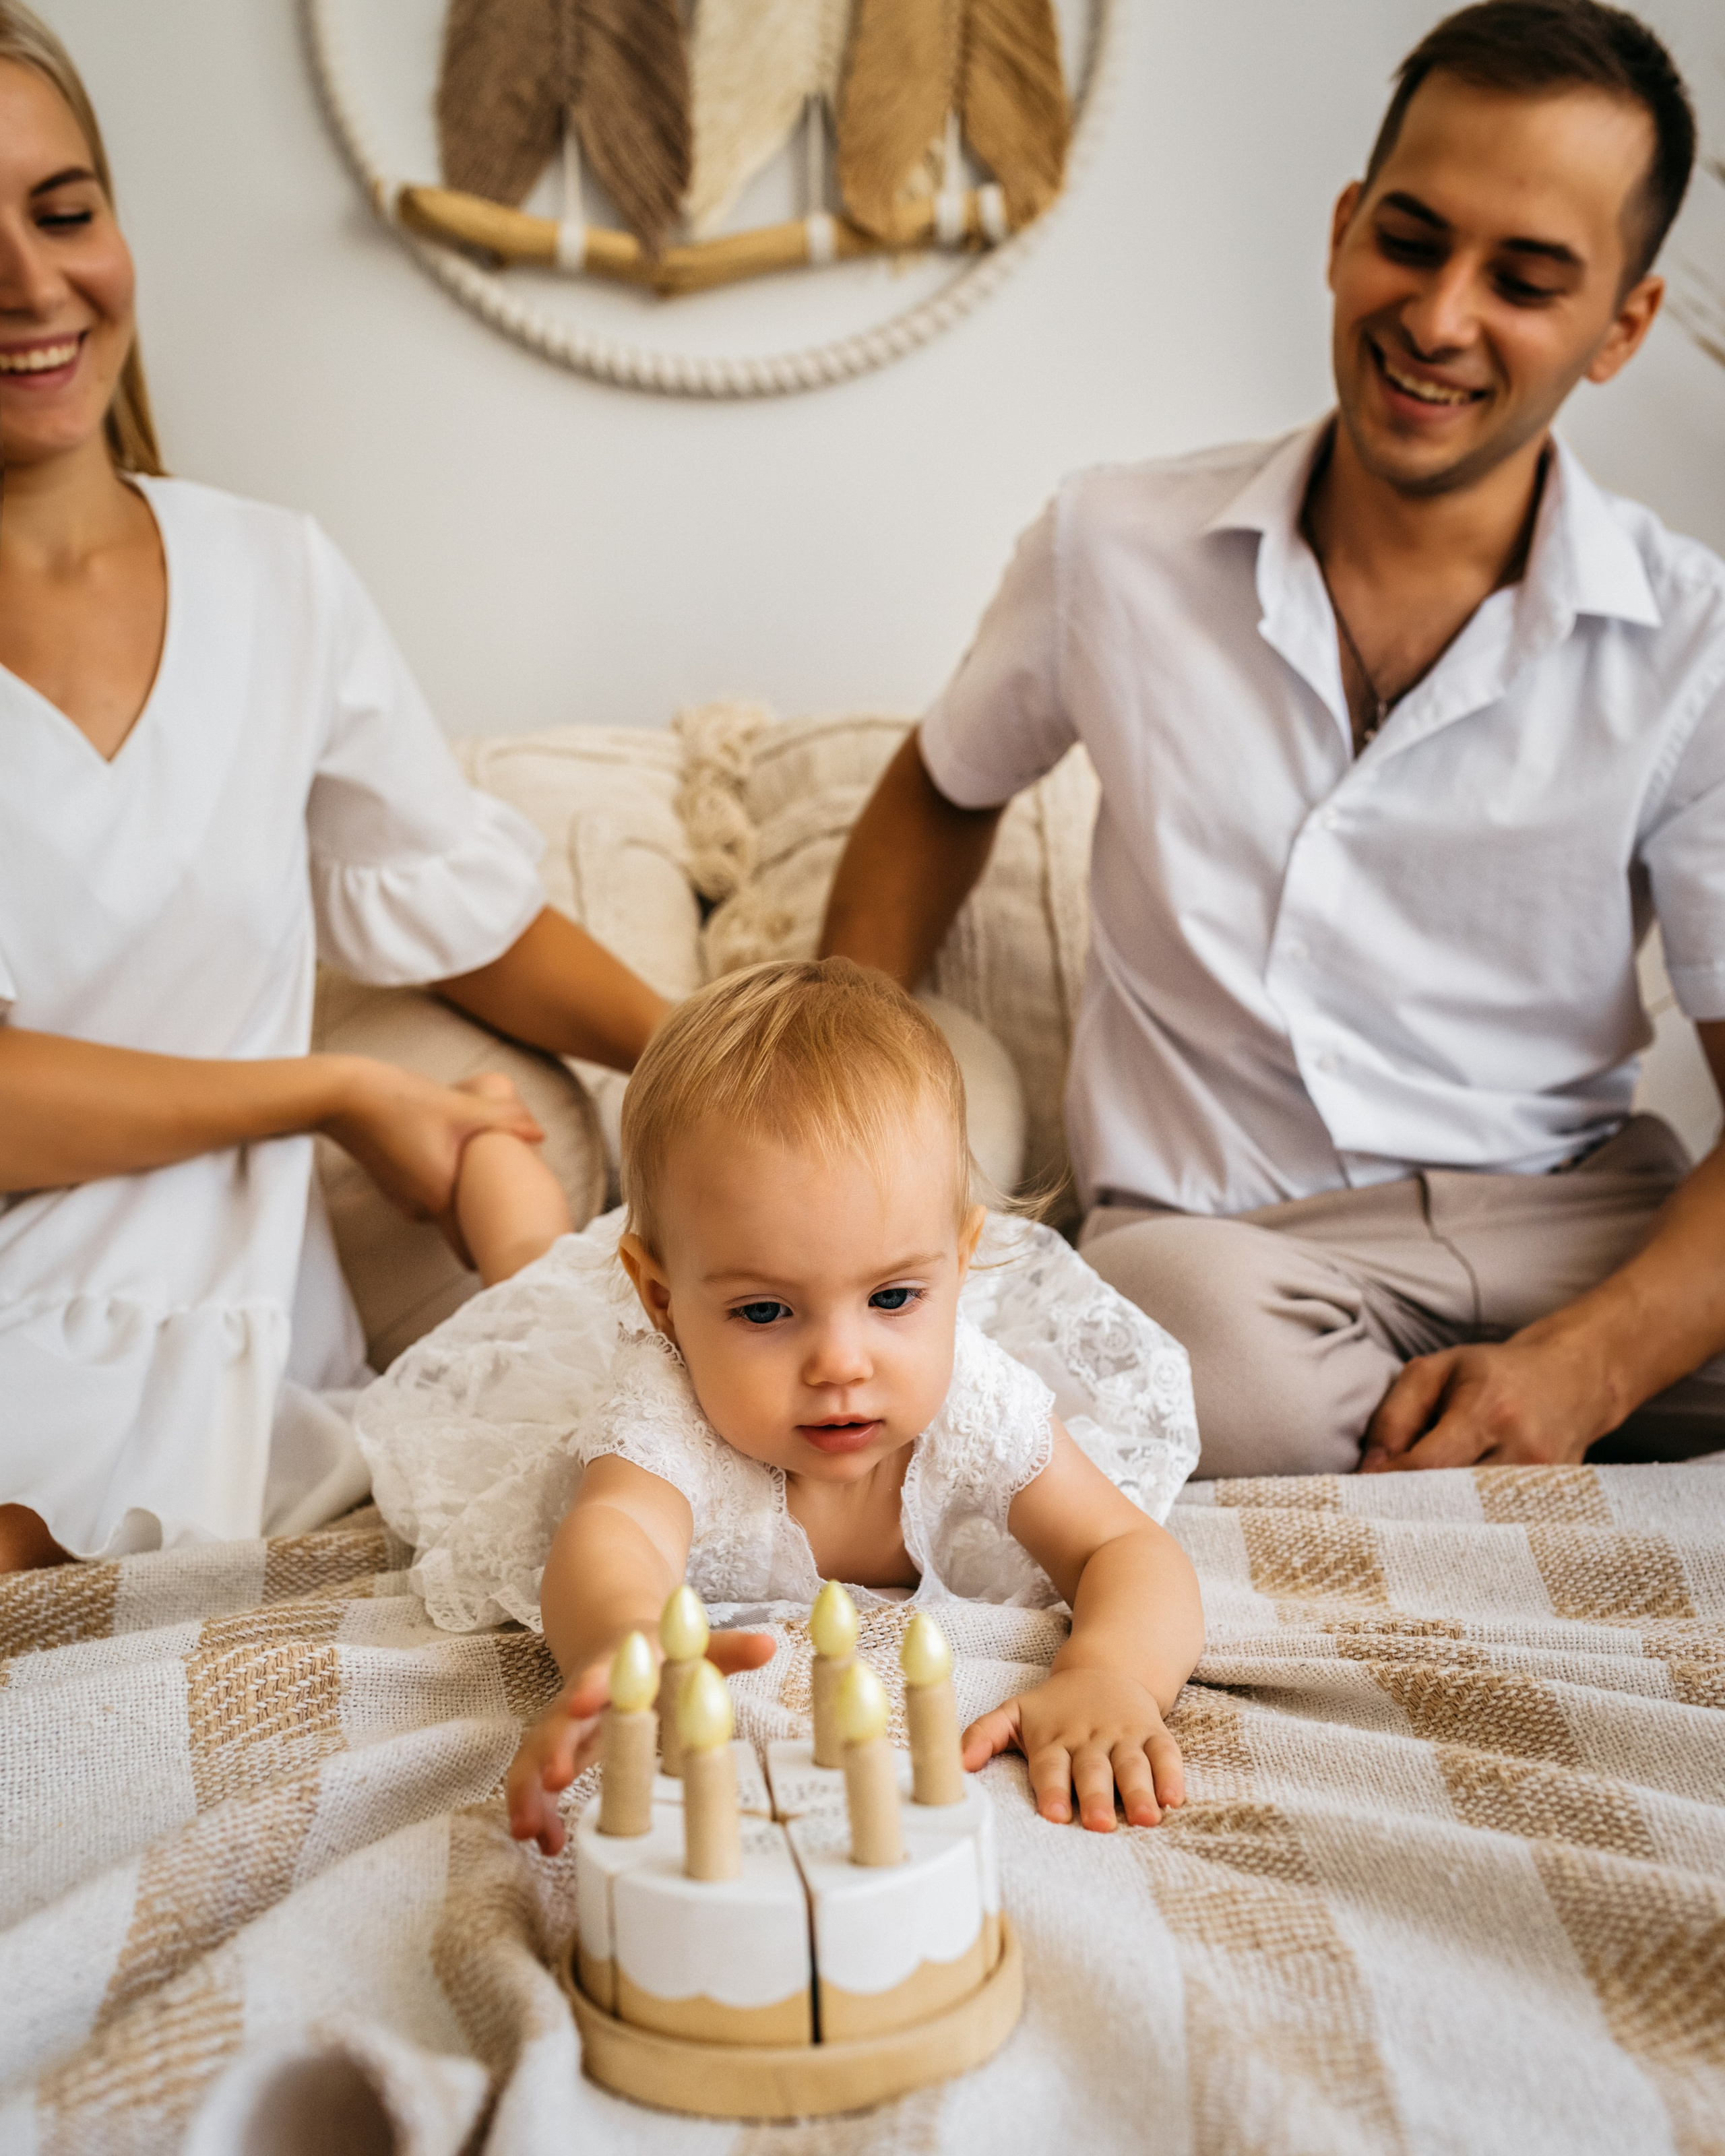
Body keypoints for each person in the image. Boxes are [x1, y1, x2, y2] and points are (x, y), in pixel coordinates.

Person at [821, 0, 1725, 1480]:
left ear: (1620, 325)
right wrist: (838, 1094)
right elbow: (938, 788)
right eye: (1411, 239)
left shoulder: (1689, 645)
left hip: (1575, 1223)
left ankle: (1481, 1429)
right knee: (1198, 1376)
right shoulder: (1108, 546)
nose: (1437, 318)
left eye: (1525, 280)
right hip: (1225, 1255)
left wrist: (1585, 1367)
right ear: (1340, 228)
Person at [0, 4, 669, 1571]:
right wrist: (335, 1088)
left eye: (64, 209)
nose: (30, 283)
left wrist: (709, 1053)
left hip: (246, 1333)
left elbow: (464, 911)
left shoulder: (271, 578)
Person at [353, 959, 1204, 1840]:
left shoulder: (973, 1401)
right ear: (663, 1303)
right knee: (535, 1276)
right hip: (588, 1341)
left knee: (548, 1269)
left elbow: (1123, 1548)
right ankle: (493, 1147)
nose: (840, 1362)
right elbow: (613, 1539)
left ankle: (510, 1161)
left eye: (893, 1299)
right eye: (766, 1311)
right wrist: (623, 1651)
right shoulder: (666, 1410)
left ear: (958, 1262)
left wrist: (1111, 1671)